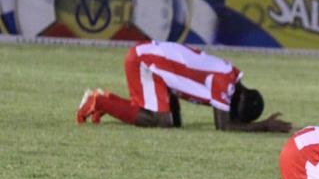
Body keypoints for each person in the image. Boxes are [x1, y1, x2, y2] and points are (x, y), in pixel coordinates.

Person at [76, 41, 291, 132]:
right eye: (237, 112)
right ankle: (98, 102)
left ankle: (107, 101)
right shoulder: (224, 83)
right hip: (145, 60)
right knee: (160, 122)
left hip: (149, 58)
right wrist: (264, 126)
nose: (231, 112)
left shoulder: (229, 75)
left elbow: (182, 74)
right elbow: (224, 126)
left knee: (171, 122)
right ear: (240, 101)